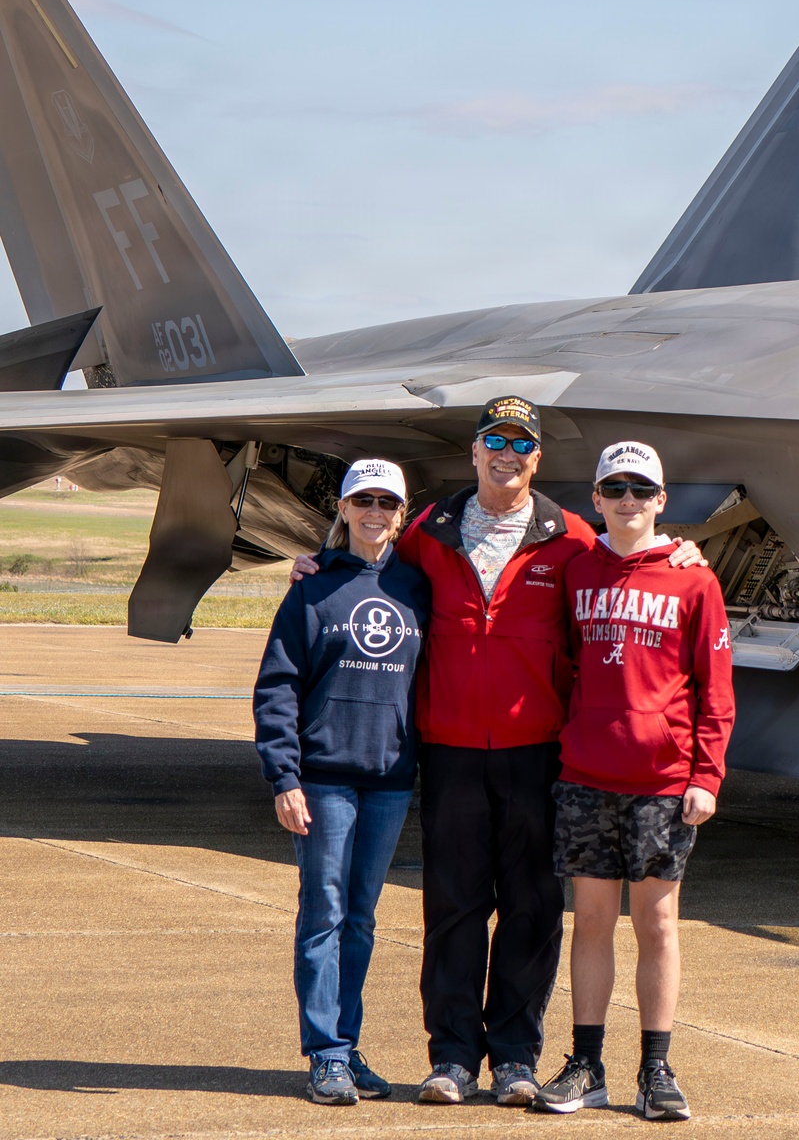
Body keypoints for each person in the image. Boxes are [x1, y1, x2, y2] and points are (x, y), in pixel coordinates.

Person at [290, 399, 707, 1107]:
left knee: (531, 910)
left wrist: (681, 552)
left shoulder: (569, 537)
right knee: (453, 908)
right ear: (475, 451)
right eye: (495, 440)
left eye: (521, 444)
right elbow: (372, 567)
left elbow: (628, 563)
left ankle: (515, 1058)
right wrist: (318, 566)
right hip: (450, 748)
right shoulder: (430, 530)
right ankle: (452, 1058)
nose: (506, 454)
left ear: (536, 458)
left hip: (537, 752)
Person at [531, 441, 734, 1123]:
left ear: (661, 500)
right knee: (591, 922)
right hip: (588, 775)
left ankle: (656, 1069)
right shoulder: (576, 569)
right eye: (615, 488)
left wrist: (706, 775)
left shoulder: (693, 580)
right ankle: (586, 1065)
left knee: (658, 924)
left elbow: (717, 690)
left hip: (662, 782)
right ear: (596, 498)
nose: (628, 501)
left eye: (641, 490)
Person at [253, 458, 430, 1106]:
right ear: (345, 509)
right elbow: (277, 686)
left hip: (389, 779)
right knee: (323, 913)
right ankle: (325, 1054)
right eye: (364, 501)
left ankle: (347, 1048)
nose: (374, 512)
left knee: (360, 919)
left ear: (400, 514)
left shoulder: (418, 589)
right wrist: (284, 776)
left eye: (386, 502)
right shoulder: (312, 588)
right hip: (323, 780)